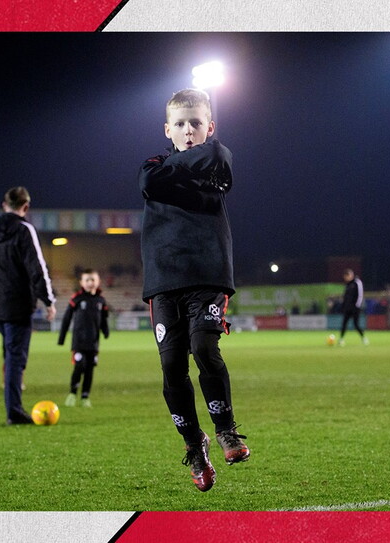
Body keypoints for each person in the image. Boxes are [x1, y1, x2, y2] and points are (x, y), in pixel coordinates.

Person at [138, 88, 249, 492]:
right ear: (167, 130)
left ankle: (225, 429)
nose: (188, 131)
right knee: (172, 366)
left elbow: (219, 156)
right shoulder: (153, 165)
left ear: (210, 127)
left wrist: (181, 169)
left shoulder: (216, 161)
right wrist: (187, 165)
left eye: (196, 124)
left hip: (207, 275)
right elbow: (149, 181)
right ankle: (194, 444)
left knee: (204, 347)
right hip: (164, 282)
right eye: (180, 124)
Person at [0, 186, 57, 425]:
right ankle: (14, 411)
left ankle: (13, 407)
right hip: (18, 304)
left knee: (11, 354)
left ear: (4, 205)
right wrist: (48, 300)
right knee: (15, 358)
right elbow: (37, 268)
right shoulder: (24, 230)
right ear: (25, 207)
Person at [59, 269, 110, 408]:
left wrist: (106, 331)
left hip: (93, 343)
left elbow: (103, 319)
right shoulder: (77, 298)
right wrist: (62, 338)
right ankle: (72, 393)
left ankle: (85, 397)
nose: (90, 282)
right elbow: (66, 318)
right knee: (79, 366)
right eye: (87, 280)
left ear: (98, 282)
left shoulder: (101, 300)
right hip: (79, 342)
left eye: (93, 279)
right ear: (81, 282)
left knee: (89, 369)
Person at [338, 269, 369, 346]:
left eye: (346, 276)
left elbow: (360, 295)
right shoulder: (348, 285)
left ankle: (364, 338)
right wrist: (343, 306)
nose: (345, 278)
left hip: (355, 308)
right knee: (344, 324)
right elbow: (345, 297)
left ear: (350, 275)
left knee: (356, 325)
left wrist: (357, 306)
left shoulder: (357, 282)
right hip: (347, 308)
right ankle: (341, 339)